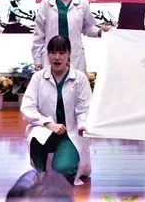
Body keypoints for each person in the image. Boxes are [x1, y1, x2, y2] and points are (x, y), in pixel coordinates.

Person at [21, 36, 92, 186]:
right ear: (47, 54)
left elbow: (85, 108)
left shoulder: (80, 79)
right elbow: (27, 108)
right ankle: (40, 172)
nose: (57, 57)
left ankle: (65, 164)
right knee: (36, 138)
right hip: (45, 130)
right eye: (53, 52)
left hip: (70, 134)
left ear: (69, 54)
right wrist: (48, 124)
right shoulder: (38, 78)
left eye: (61, 52)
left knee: (63, 173)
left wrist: (82, 125)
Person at [32, 0, 108, 74]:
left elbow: (88, 27)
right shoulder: (46, 4)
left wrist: (100, 31)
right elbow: (39, 34)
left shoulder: (83, 4)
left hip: (74, 55)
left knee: (76, 82)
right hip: (53, 57)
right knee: (52, 83)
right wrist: (37, 58)